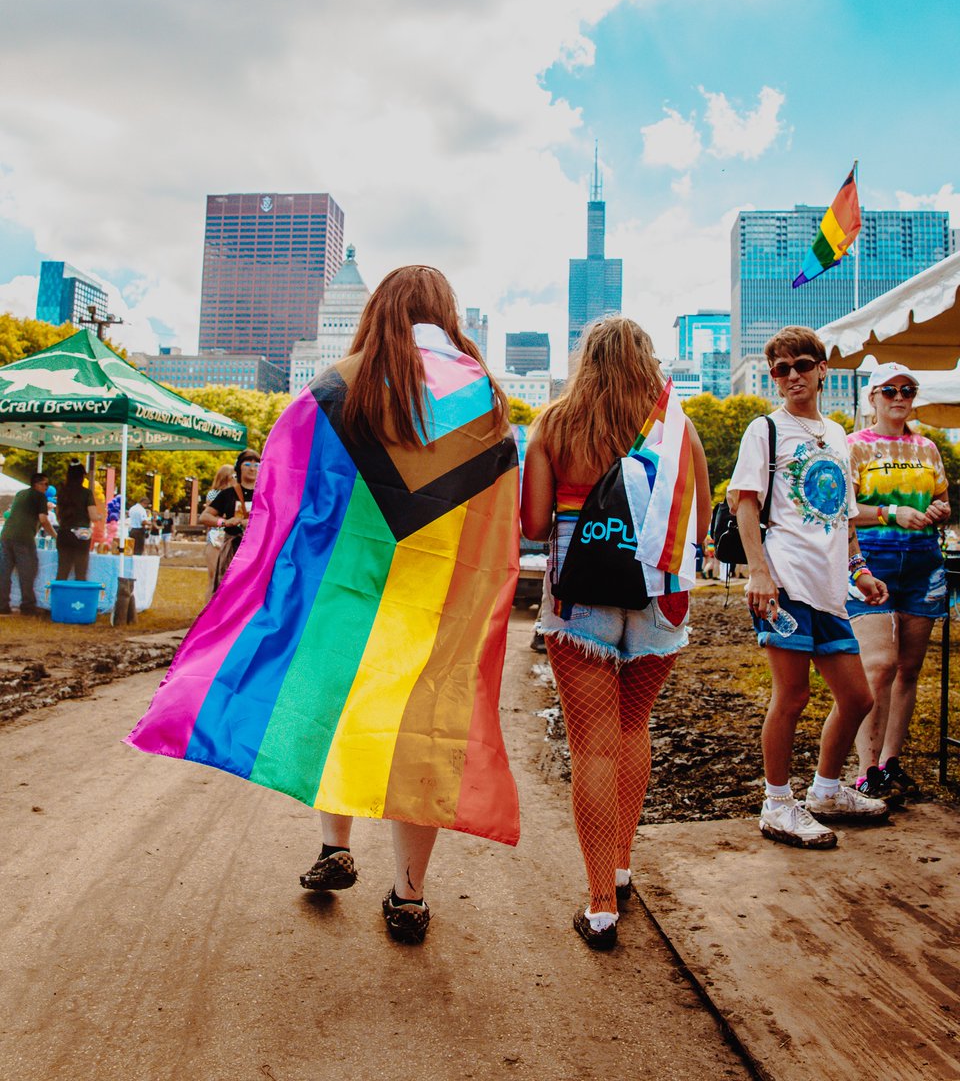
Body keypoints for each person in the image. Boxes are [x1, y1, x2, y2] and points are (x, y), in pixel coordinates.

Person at [128, 265, 521, 945]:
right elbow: (499, 517)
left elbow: (285, 492)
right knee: (417, 734)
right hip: (428, 605)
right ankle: (409, 895)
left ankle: (334, 849)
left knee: (332, 708)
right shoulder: (487, 402)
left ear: (377, 311)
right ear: (445, 313)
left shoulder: (340, 386)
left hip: (346, 594)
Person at [521, 316, 711, 949]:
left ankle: (601, 903)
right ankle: (624, 864)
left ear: (586, 361)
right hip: (658, 592)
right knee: (634, 730)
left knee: (593, 748)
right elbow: (701, 528)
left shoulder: (553, 423)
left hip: (580, 599)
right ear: (647, 360)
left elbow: (534, 520)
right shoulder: (677, 428)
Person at [728, 326, 890, 850]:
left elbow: (843, 516)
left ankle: (824, 790)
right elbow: (745, 502)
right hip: (785, 582)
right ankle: (777, 804)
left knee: (857, 696)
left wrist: (859, 570)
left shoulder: (839, 435)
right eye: (781, 369)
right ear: (774, 378)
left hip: (828, 589)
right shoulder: (765, 430)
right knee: (792, 695)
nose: (792, 375)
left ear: (823, 369)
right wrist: (759, 572)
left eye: (802, 365)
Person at [846, 364, 951, 801]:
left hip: (924, 562)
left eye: (908, 389)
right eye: (889, 390)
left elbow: (943, 497)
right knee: (879, 665)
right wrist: (893, 513)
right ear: (872, 398)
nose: (899, 396)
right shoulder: (853, 446)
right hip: (872, 560)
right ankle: (864, 768)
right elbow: (845, 510)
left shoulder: (927, 447)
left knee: (909, 669)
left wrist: (940, 510)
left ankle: (890, 761)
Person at [199, 450, 261, 590]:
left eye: (257, 465)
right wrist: (224, 522)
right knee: (226, 589)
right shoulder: (227, 494)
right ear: (239, 467)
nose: (252, 468)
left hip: (257, 550)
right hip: (232, 551)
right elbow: (205, 516)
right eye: (247, 464)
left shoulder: (266, 494)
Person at [0, 473, 55, 615]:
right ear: (37, 484)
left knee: (4, 572)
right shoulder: (40, 496)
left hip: (6, 535)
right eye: (45, 484)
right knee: (28, 571)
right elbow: (43, 520)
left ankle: (2, 604)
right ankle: (28, 605)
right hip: (23, 537)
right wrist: (56, 536)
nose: (47, 487)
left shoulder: (20, 494)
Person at [55, 462, 103, 581]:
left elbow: (57, 515)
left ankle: (59, 598)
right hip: (82, 532)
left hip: (64, 532)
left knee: (62, 570)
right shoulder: (86, 493)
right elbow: (93, 516)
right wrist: (100, 516)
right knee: (80, 572)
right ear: (81, 477)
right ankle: (78, 598)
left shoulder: (62, 492)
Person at [202, 464, 236, 596]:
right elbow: (211, 515)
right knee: (214, 578)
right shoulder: (214, 494)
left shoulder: (235, 493)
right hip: (216, 536)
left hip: (230, 537)